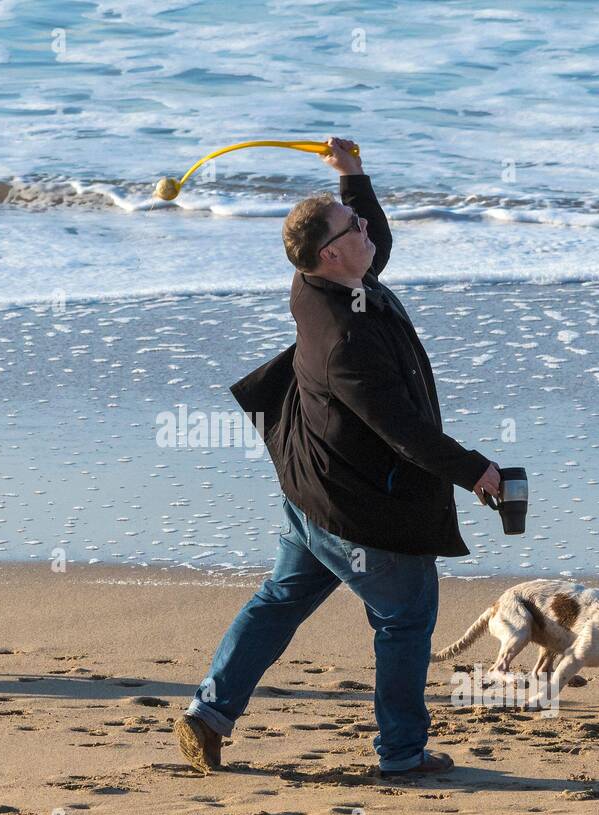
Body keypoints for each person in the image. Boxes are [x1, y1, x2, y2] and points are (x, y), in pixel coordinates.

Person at [174, 136, 503, 776]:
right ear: (331, 253)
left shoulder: (320, 282)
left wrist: (353, 178)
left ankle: (209, 713)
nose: (368, 232)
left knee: (278, 600)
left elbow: (372, 241)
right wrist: (476, 471)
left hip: (310, 492)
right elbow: (402, 430)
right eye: (354, 227)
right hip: (358, 509)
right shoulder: (347, 341)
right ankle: (402, 754)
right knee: (405, 621)